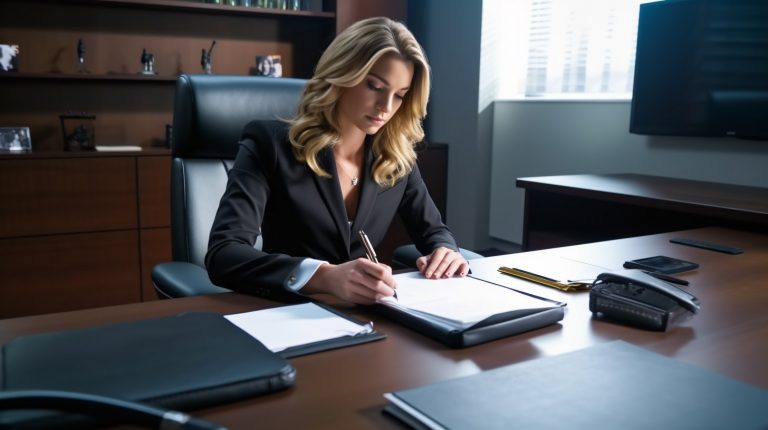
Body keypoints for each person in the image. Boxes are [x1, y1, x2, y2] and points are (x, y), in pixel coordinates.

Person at [206, 17, 469, 305]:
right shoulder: (269, 145)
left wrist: (445, 251)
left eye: (400, 96)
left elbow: (434, 231)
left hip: (369, 318)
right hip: (288, 312)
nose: (386, 106)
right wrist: (323, 276)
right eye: (374, 86)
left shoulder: (396, 158)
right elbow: (224, 254)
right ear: (342, 74)